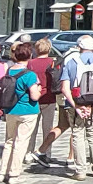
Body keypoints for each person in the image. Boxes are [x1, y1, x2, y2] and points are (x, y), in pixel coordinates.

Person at [59, 37, 93, 179]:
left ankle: (80, 170)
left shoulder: (71, 62)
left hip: (75, 103)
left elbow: (64, 88)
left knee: (78, 135)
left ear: (79, 47)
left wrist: (77, 106)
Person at [0, 43, 41, 183]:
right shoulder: (30, 75)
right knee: (21, 142)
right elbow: (34, 96)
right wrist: (39, 90)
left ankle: (2, 172)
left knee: (9, 141)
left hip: (10, 110)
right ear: (30, 56)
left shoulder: (9, 71)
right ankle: (14, 173)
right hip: (27, 110)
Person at [25, 37, 64, 170]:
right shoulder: (52, 62)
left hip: (34, 97)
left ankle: (29, 153)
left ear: (36, 49)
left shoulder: (30, 63)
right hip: (49, 97)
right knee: (48, 128)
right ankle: (46, 152)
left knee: (32, 128)